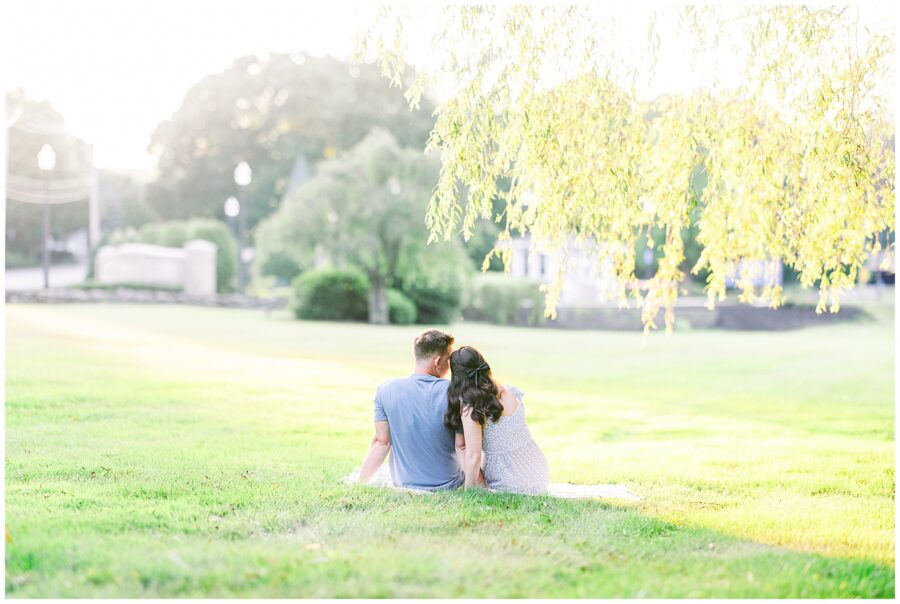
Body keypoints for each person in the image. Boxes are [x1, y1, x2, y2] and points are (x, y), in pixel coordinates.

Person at [355, 329, 469, 491]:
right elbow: (463, 446)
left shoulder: (386, 389)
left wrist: (360, 482)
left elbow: (381, 443)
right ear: (437, 362)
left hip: (403, 482)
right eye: (448, 360)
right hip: (448, 484)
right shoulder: (456, 392)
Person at [444, 345, 550, 494]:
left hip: (508, 477)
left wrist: (468, 492)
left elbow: (474, 455)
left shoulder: (472, 406)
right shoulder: (510, 391)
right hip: (537, 469)